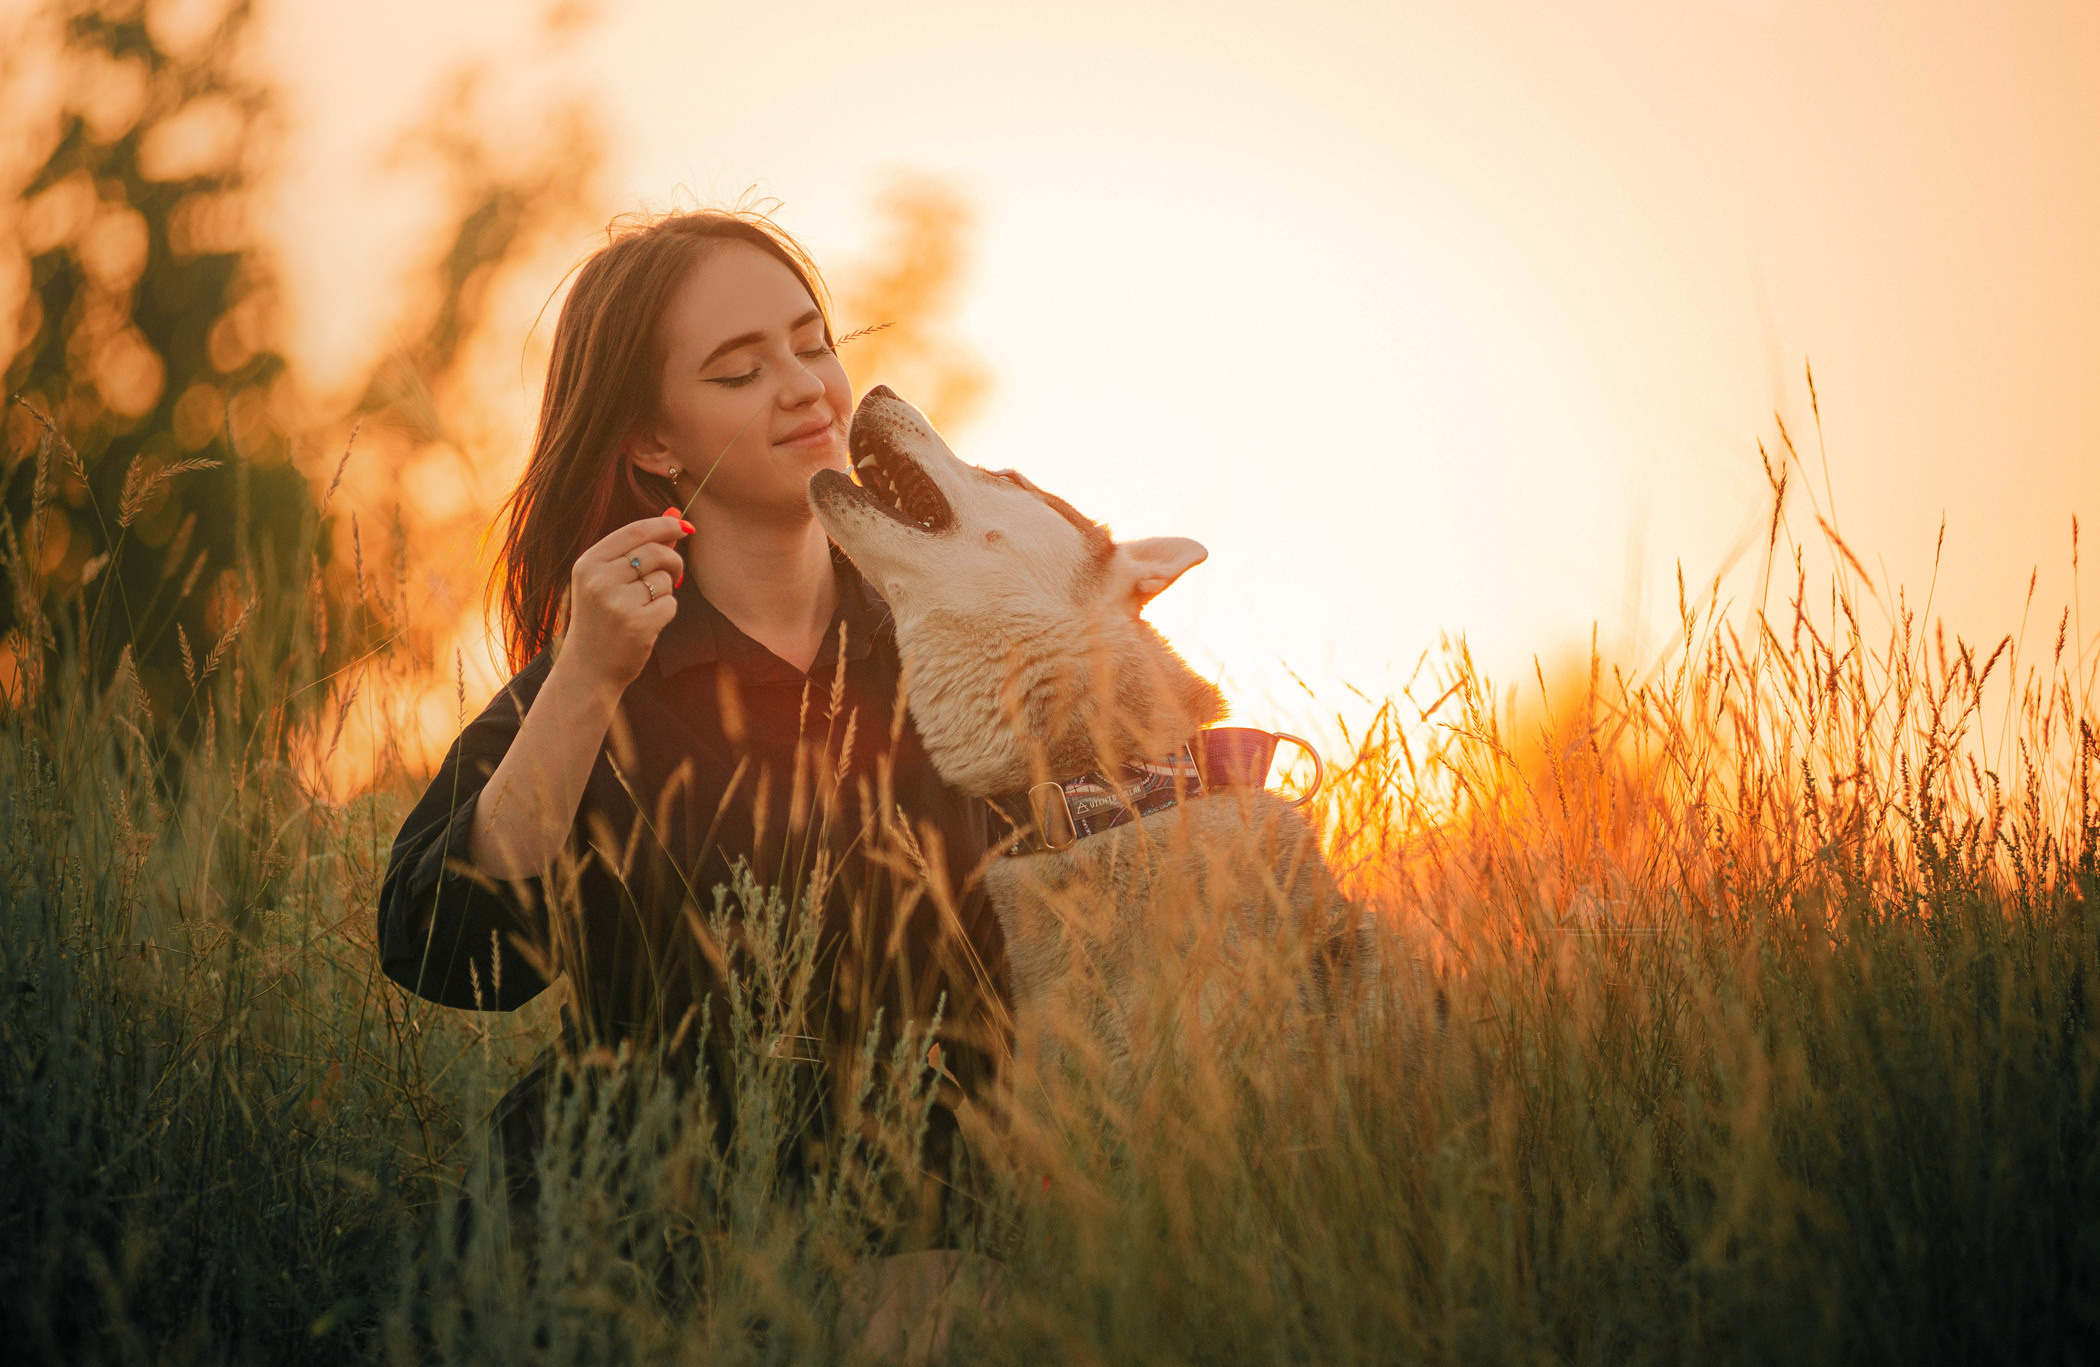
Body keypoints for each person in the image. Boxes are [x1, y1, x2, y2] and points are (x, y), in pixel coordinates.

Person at [374, 208, 1007, 1226]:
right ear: (652, 440)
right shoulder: (598, 672)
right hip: (624, 1193)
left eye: (813, 345)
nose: (804, 384)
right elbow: (444, 953)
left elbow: (1050, 943)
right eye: (739, 369)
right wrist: (583, 682)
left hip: (907, 1176)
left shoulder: (948, 647)